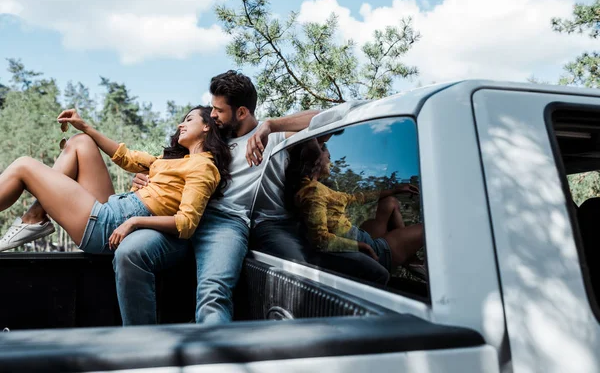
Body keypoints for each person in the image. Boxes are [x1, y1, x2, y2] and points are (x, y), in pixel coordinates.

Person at [124, 70, 319, 325]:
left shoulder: (272, 136)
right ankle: (140, 345)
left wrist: (270, 125)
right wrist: (145, 180)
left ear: (241, 113)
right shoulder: (210, 137)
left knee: (213, 293)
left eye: (219, 110)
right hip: (181, 215)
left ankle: (213, 359)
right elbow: (171, 166)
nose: (212, 115)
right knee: (130, 253)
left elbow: (324, 117)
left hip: (224, 223)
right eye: (212, 109)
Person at [0, 107, 231, 259]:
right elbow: (126, 157)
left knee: (24, 165)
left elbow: (186, 224)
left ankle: (34, 218)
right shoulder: (173, 160)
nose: (181, 124)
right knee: (81, 141)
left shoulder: (203, 166)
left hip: (109, 225)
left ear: (206, 126)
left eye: (189, 120)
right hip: (112, 209)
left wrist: (135, 222)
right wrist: (86, 126)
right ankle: (36, 216)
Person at [289, 138, 424, 275]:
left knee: (390, 201)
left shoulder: (316, 188)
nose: (330, 162)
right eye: (328, 158)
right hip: (369, 248)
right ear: (317, 160)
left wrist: (394, 189)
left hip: (358, 235)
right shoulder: (313, 192)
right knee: (427, 229)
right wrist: (359, 246)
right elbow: (320, 240)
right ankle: (408, 258)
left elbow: (356, 198)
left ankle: (409, 257)